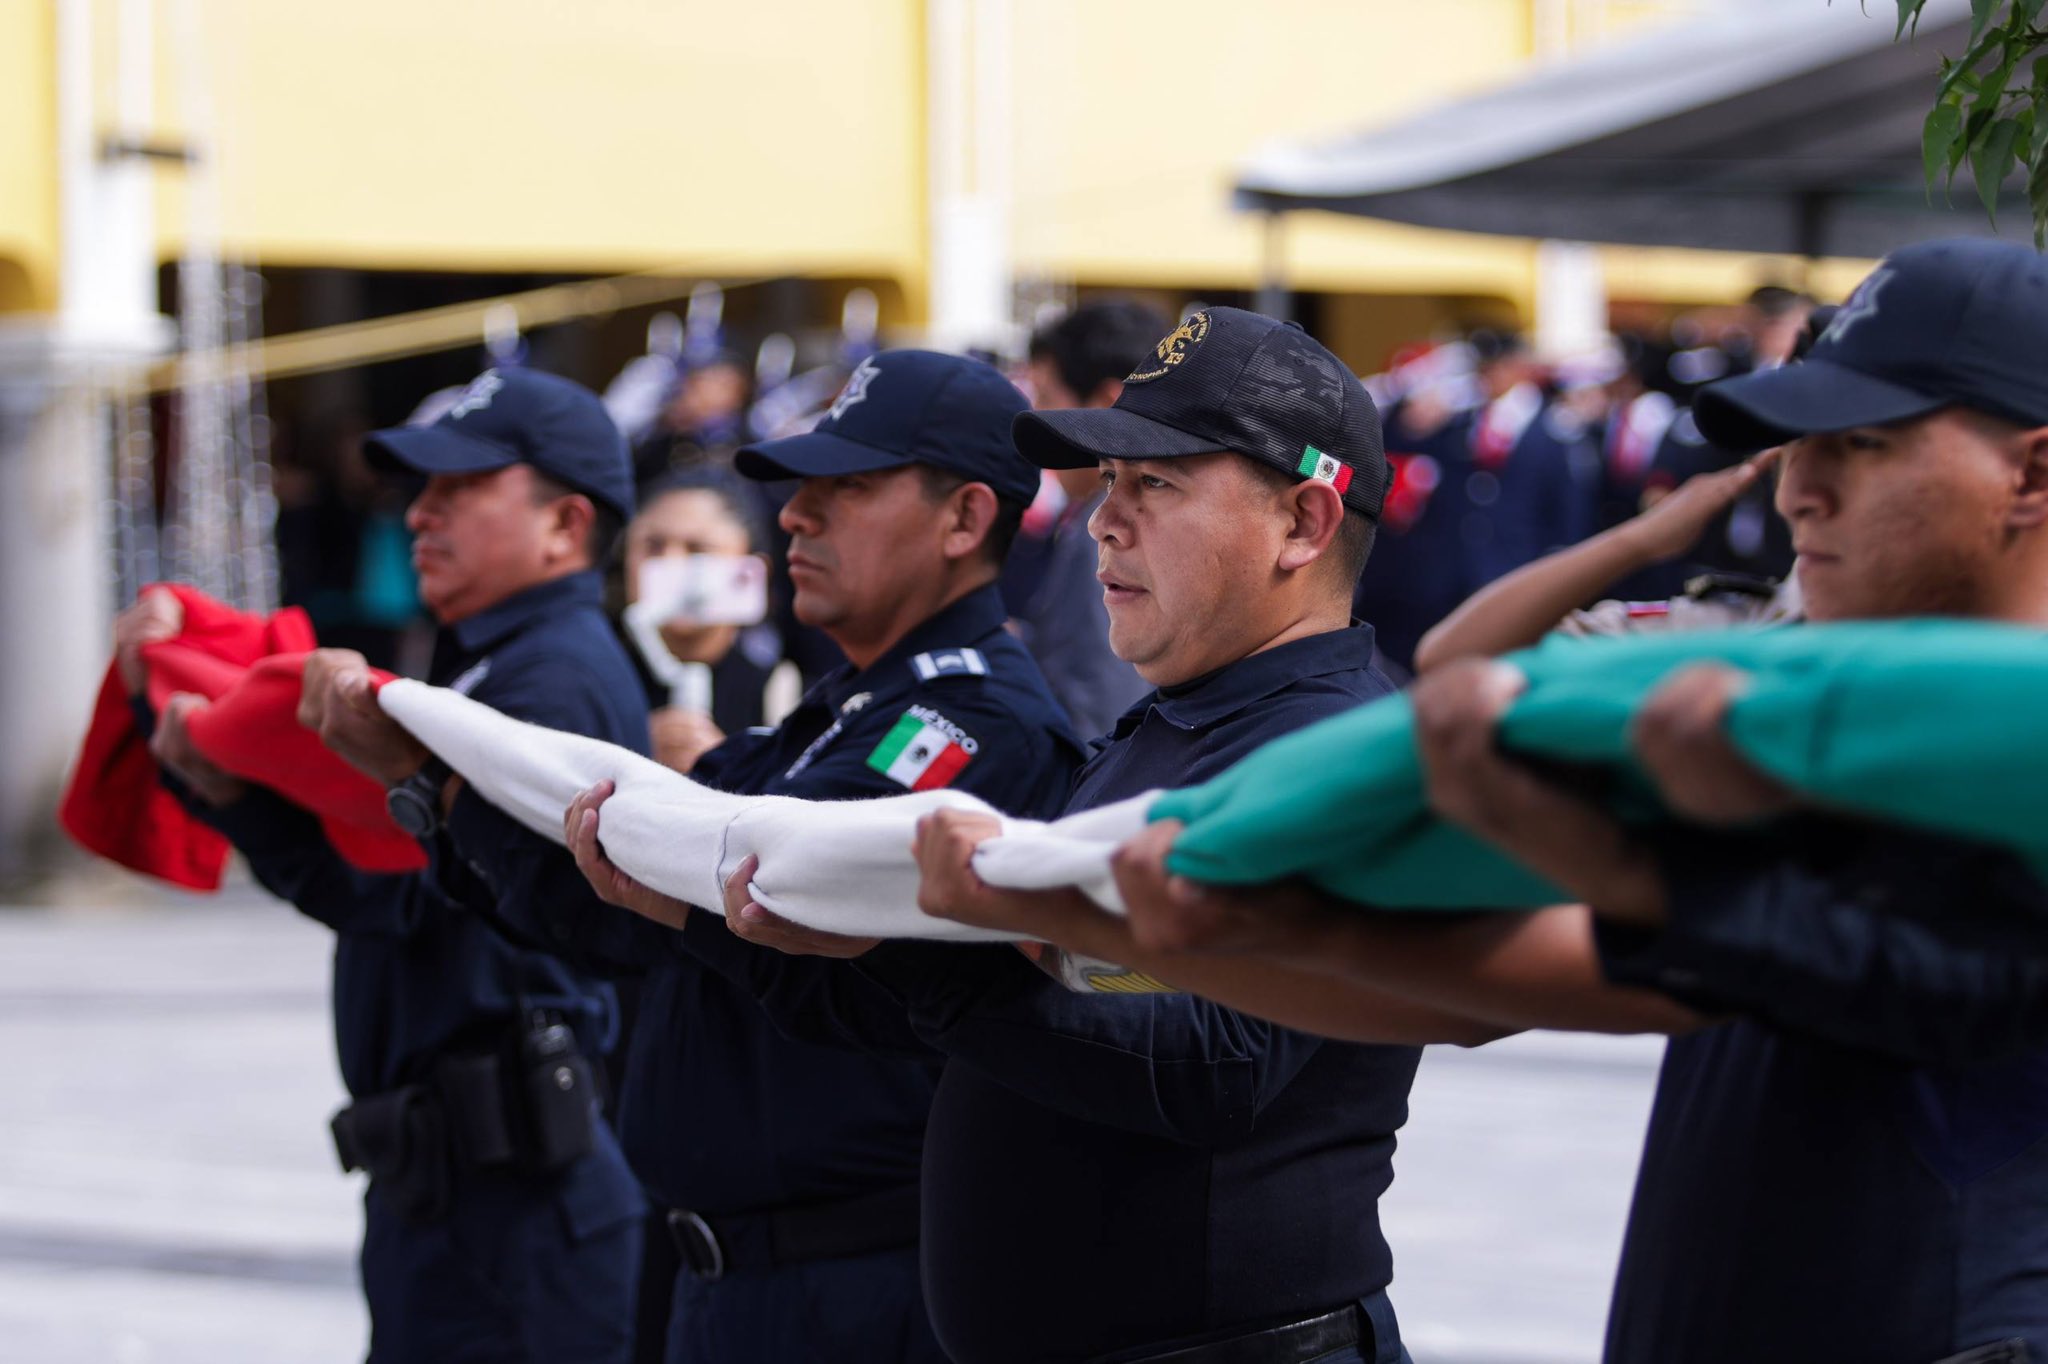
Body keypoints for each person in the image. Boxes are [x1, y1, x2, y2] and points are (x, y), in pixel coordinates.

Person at [1097, 239, 2048, 1363]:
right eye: (1796, 444)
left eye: (1863, 443)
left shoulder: (1976, 770)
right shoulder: (1832, 723)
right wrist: (1149, 916)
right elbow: (1526, 977)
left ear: (2029, 476)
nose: (1800, 488)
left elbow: (1589, 958)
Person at [571, 307, 1491, 1363]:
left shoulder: (1334, 748)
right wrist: (769, 925)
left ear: (1303, 524)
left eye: (1156, 484)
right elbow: (1049, 999)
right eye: (1106, 483)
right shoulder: (1180, 720)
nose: (1102, 520)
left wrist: (942, 940)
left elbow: (1211, 1059)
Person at [522, 350, 1083, 1363]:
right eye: (799, 489)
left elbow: (767, 878)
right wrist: (439, 792)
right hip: (733, 1276)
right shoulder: (838, 710)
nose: (793, 515)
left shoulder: (974, 722)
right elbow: (620, 894)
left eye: (848, 488)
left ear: (963, 519)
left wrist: (662, 843)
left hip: (860, 1288)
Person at [129, 366, 649, 1363]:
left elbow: (403, 895)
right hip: (462, 1185)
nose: (421, 512)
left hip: (521, 1196)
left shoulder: (550, 674)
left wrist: (232, 787)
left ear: (564, 524)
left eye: (460, 487)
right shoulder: (489, 662)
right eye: (421, 488)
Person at [1005, 299, 1166, 736]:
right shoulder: (1125, 515)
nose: (1035, 411)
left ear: (1107, 401)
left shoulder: (1109, 528)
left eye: (1044, 394)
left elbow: (1102, 713)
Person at [615, 465, 790, 772]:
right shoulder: (597, 678)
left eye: (697, 549)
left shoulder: (784, 694)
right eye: (653, 546)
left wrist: (732, 769)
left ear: (750, 570)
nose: (671, 563)